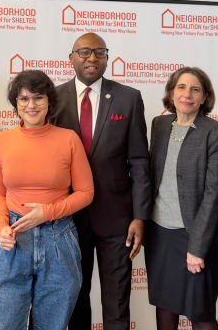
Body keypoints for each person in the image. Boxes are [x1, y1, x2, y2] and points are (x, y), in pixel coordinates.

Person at [51, 32, 151, 330]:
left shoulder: (128, 97)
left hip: (117, 219)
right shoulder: (52, 98)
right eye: (84, 52)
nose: (92, 58)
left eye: (99, 52)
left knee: (117, 301)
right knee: (74, 299)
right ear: (71, 58)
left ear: (107, 58)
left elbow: (139, 161)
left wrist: (140, 216)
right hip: (68, 218)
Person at [0, 70, 94, 330]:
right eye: (23, 99)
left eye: (38, 98)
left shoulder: (68, 139)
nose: (31, 105)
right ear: (16, 104)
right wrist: (1, 227)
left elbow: (86, 193)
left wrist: (48, 212)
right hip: (12, 237)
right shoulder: (1, 141)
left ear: (49, 102)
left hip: (58, 238)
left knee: (52, 326)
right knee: (1, 324)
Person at [145, 67, 218, 330]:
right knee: (165, 306)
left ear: (204, 97)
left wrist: (198, 247)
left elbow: (214, 194)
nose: (187, 94)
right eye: (181, 87)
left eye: (195, 89)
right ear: (171, 91)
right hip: (159, 234)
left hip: (195, 234)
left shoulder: (214, 132)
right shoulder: (159, 125)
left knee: (200, 312)